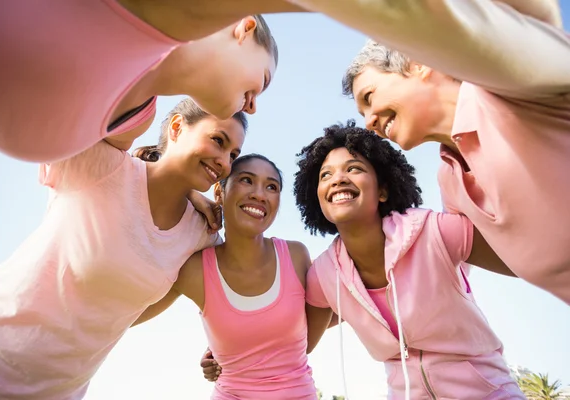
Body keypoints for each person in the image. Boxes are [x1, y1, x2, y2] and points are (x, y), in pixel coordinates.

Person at [284, 0, 570, 305]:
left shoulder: (506, 91)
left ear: (418, 61)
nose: (369, 122)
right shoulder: (452, 185)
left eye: (370, 96)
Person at [0, 98, 246, 399]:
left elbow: (231, 296)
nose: (225, 162)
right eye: (218, 141)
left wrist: (223, 346)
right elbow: (78, 100)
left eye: (233, 154)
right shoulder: (105, 168)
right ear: (177, 128)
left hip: (57, 391)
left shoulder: (200, 233)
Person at [296, 122, 523, 399]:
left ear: (383, 190)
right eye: (325, 175)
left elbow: (526, 261)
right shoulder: (323, 274)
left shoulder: (434, 232)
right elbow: (296, 342)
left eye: (353, 168)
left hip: (488, 392)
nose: (338, 179)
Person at [0, 4, 290, 163]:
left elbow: (118, 179)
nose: (253, 106)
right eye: (263, 80)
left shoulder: (136, 120)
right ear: (244, 29)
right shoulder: (150, 10)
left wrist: (187, 193)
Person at [133, 154, 318, 399]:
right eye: (246, 180)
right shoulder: (194, 270)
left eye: (271, 186)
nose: (259, 194)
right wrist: (188, 193)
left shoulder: (296, 256)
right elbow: (125, 316)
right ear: (219, 192)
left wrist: (244, 346)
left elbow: (325, 309)